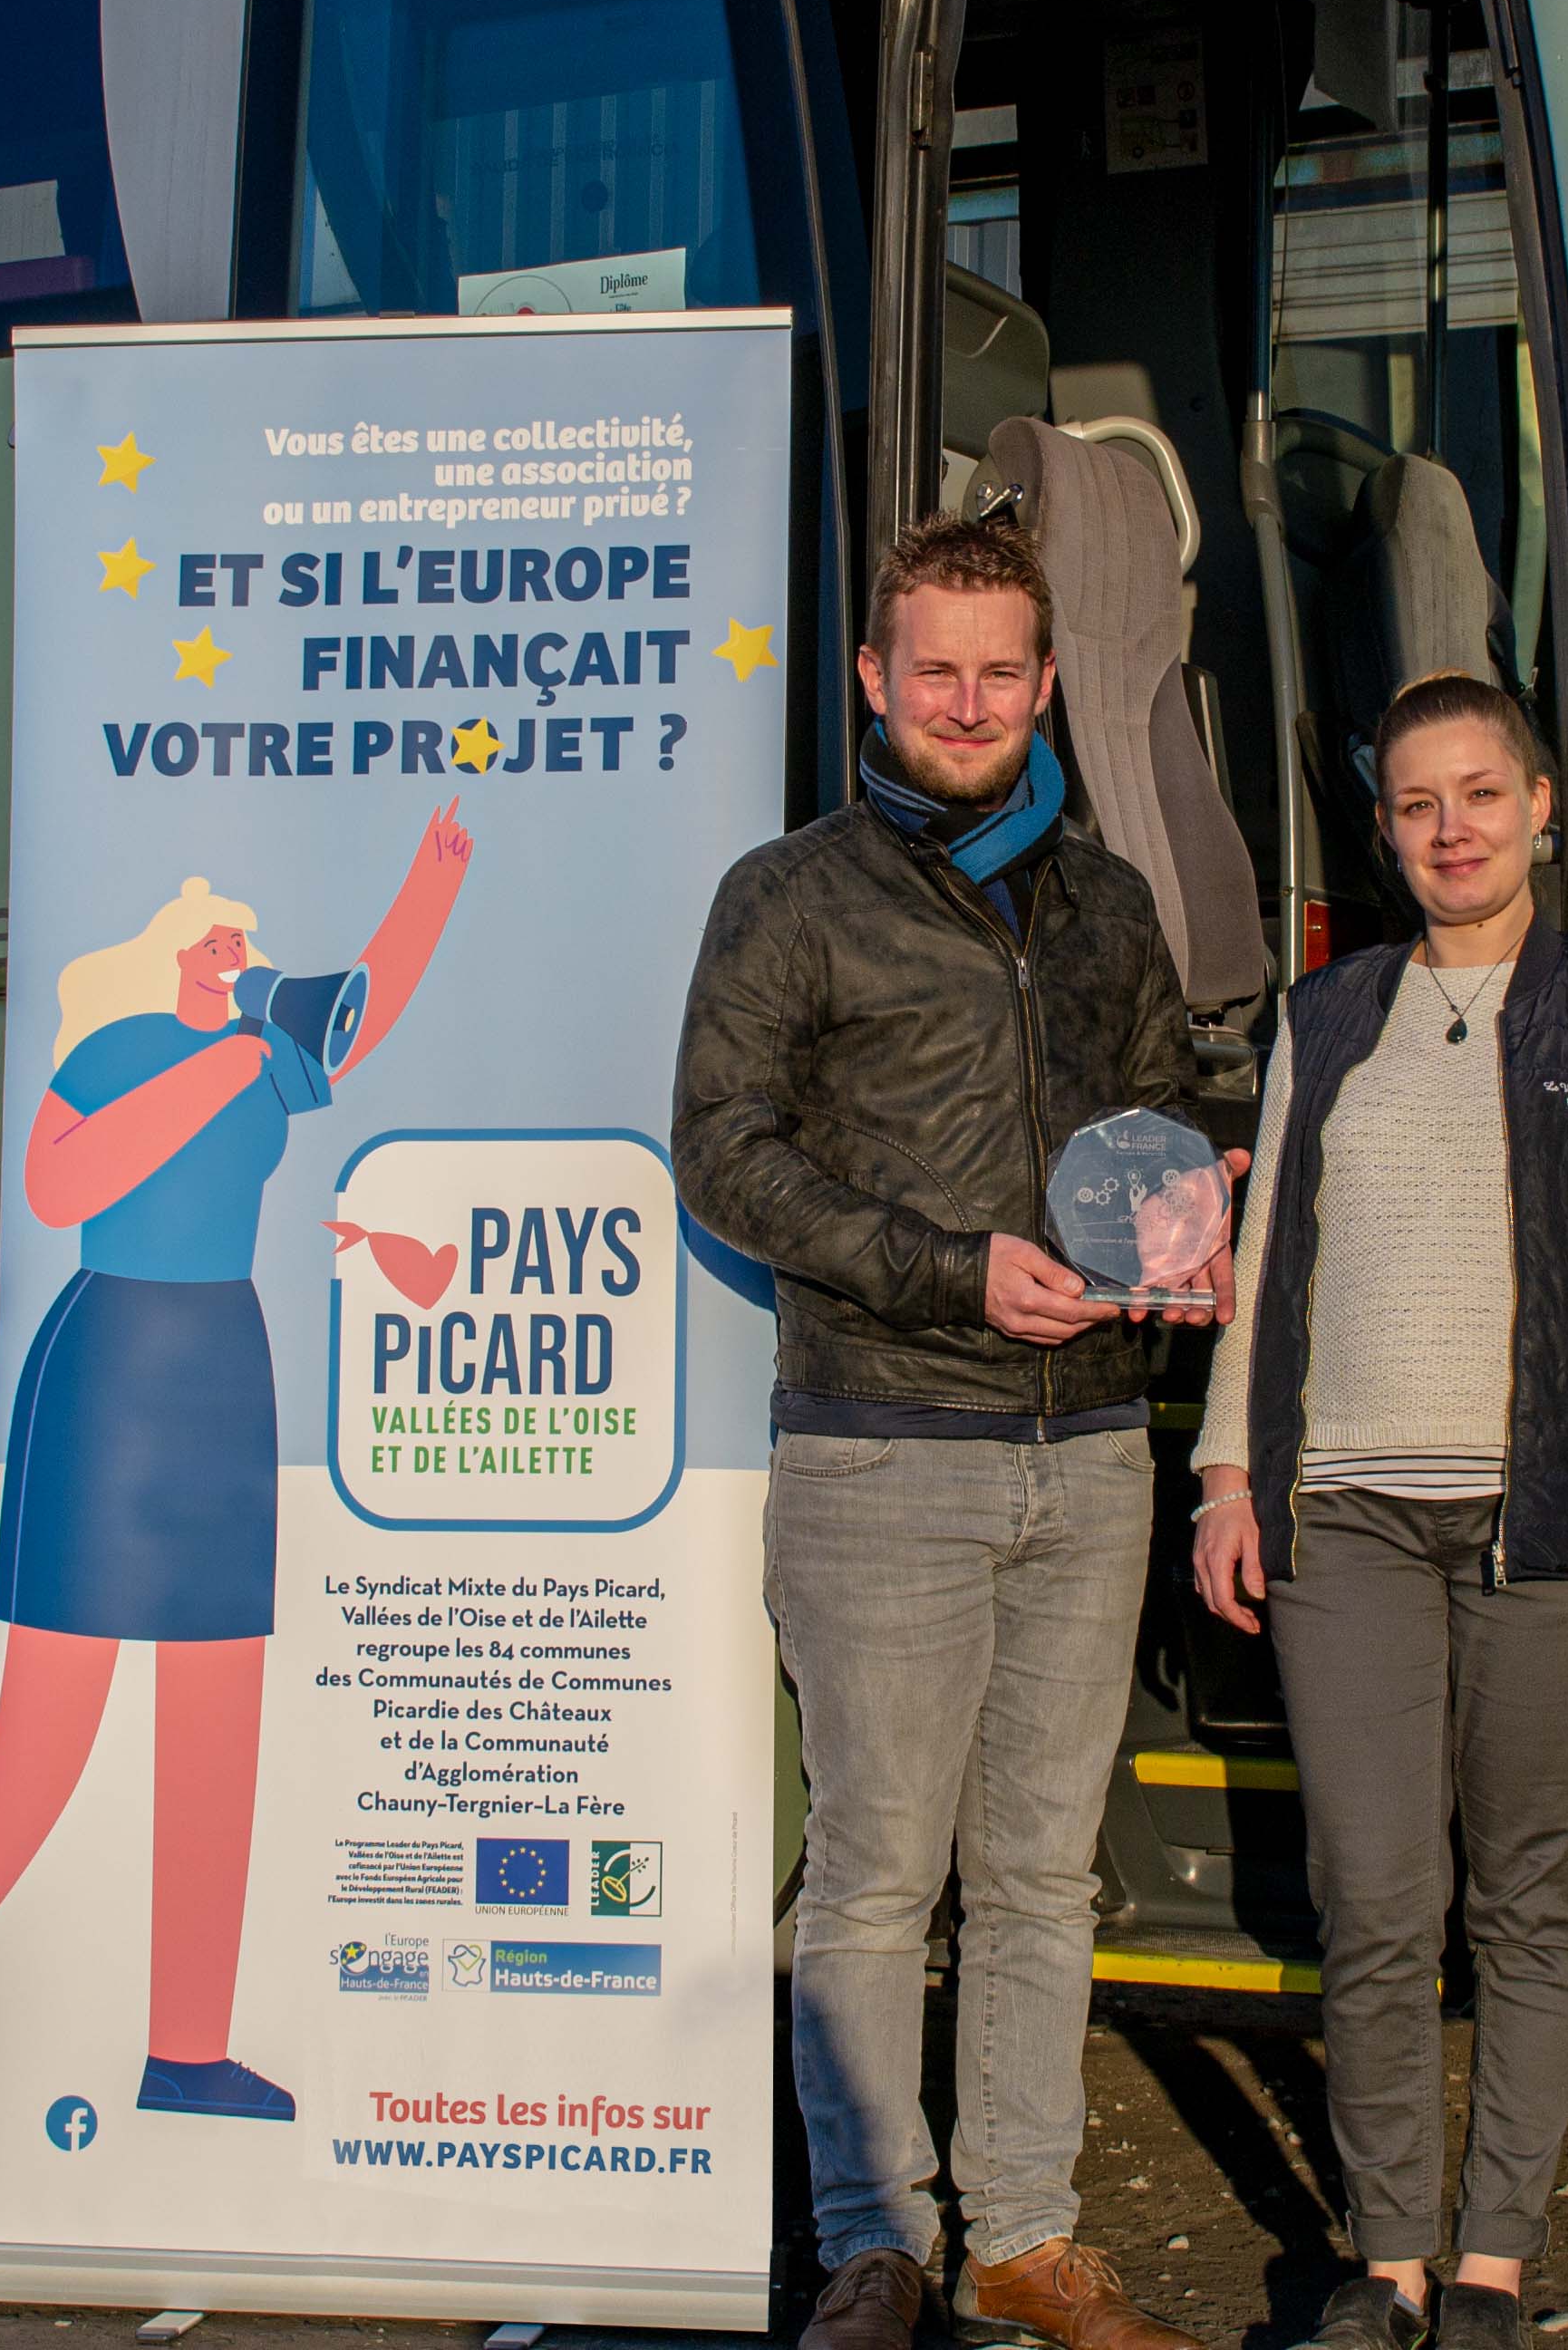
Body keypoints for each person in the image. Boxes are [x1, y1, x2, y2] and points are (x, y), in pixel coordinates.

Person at [674, 515, 1238, 2350]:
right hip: (885, 1441)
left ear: (1047, 681)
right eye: (936, 669)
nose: (970, 702)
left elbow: (1153, 1103)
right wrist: (939, 1272)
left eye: (1003, 670)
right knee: (875, 1866)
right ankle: (874, 2246)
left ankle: (1024, 2237)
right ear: (873, 680)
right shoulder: (792, 895)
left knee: (1042, 1871)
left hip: (1089, 1450)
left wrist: (1197, 1206)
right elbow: (724, 1149)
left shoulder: (1105, 902)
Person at [1190, 671, 1568, 2350]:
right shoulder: (1326, 1016)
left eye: (1481, 795)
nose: (1452, 831)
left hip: (1553, 1513)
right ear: (1387, 830)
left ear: (1542, 807)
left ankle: (1493, 2259)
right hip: (1343, 1512)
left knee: (1528, 1898)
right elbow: (1264, 1257)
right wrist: (1224, 1467)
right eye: (1419, 805)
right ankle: (1391, 2253)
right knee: (1373, 1893)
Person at [0, 808, 472, 2121]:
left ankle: (184, 2050)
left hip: (221, 1364)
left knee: (216, 1717)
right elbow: (58, 1183)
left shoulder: (268, 1058)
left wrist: (430, 884)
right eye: (223, 931)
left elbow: (362, 1015)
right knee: (58, 1709)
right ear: (178, 947)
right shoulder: (124, 1046)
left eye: (248, 932)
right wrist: (232, 1055)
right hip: (112, 1360)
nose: (244, 943)